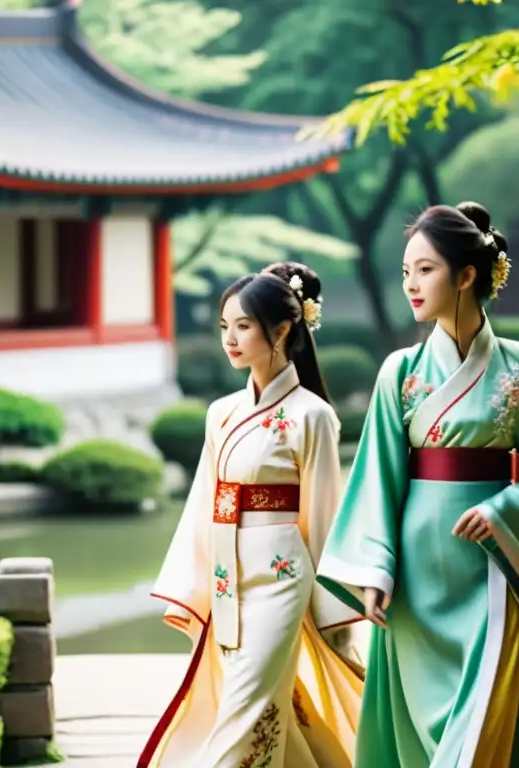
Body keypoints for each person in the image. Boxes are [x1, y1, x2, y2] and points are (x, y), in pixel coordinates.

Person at [316, 202, 519, 768]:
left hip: (497, 562)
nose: (411, 285)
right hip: (420, 577)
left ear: (466, 275)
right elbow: (377, 475)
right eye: (405, 272)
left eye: (424, 269)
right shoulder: (400, 370)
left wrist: (505, 511)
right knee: (424, 722)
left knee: (493, 710)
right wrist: (375, 568)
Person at [138, 263, 364, 768]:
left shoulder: (313, 415)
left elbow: (326, 517)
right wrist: (195, 586)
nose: (230, 339)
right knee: (258, 708)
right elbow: (204, 503)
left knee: (247, 706)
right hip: (227, 580)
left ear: (281, 330)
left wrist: (336, 616)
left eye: (243, 326)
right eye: (224, 327)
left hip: (282, 581)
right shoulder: (221, 412)